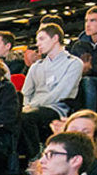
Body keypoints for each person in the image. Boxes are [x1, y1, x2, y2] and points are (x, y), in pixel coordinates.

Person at [19, 24, 84, 162]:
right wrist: (26, 105)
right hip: (33, 107)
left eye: (42, 39)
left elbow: (60, 93)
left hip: (57, 107)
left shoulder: (74, 63)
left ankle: (35, 157)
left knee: (26, 116)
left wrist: (31, 105)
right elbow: (26, 92)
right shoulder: (37, 66)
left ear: (55, 38)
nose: (38, 44)